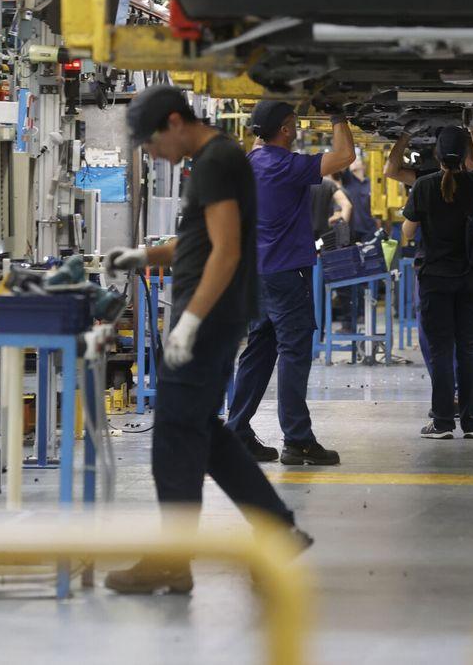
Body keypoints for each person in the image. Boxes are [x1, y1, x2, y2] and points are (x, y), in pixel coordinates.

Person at [103, 86, 311, 594]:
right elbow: (202, 242)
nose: (152, 153)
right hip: (217, 315)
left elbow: (227, 251)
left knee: (175, 439)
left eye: (152, 142)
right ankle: (277, 530)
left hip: (209, 319)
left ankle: (171, 561)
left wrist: (191, 321)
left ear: (175, 123)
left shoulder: (217, 162)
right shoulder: (217, 159)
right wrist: (143, 256)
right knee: (205, 432)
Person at [228, 101, 355, 466]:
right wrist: (339, 114)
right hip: (286, 273)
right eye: (294, 124)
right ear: (284, 130)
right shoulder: (286, 166)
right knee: (294, 352)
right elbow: (345, 155)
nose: (298, 128)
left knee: (259, 351)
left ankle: (236, 432)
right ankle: (298, 439)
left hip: (257, 273)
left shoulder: (251, 162)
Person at [400, 114, 473, 439]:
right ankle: (472, 423)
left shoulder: (424, 185)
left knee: (441, 351)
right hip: (470, 279)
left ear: (437, 155)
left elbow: (407, 233)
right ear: (465, 156)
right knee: (468, 349)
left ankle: (442, 423)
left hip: (435, 280)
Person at [341, 158, 378, 242]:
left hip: (369, 229)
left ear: (363, 166)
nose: (353, 162)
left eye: (357, 160)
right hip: (352, 229)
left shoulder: (371, 183)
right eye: (352, 161)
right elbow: (341, 166)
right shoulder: (348, 179)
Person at [309, 175, 352, 243]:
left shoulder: (295, 185)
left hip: (301, 237)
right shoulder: (328, 183)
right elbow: (347, 205)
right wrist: (341, 230)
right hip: (326, 238)